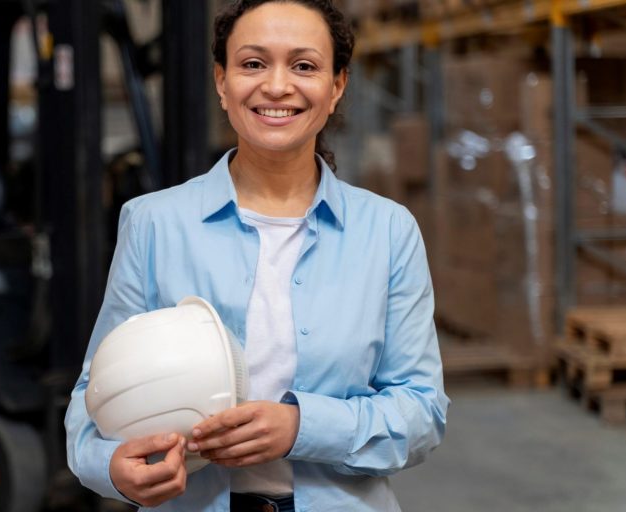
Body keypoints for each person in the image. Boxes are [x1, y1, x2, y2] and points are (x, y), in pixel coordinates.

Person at [65, 1, 449, 510]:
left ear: (336, 87)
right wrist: (109, 467)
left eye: (304, 65)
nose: (276, 86)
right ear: (222, 82)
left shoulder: (388, 231)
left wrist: (301, 427)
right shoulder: (154, 222)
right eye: (252, 63)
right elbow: (96, 391)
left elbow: (422, 412)